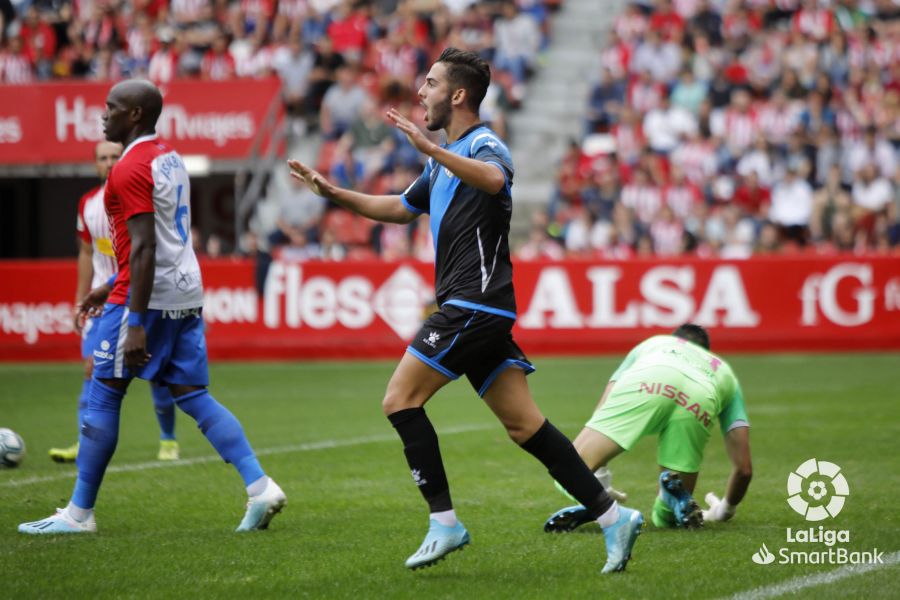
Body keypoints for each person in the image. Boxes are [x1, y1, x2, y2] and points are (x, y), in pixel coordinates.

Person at [288, 47, 643, 574]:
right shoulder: (444, 161)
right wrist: (333, 191)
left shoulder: (484, 144)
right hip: (481, 310)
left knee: (399, 401)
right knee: (525, 426)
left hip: (472, 305)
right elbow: (397, 209)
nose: (421, 92)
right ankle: (614, 517)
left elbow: (495, 180)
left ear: (457, 94)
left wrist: (430, 148)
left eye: (429, 83)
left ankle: (445, 523)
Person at [19, 79, 286, 535]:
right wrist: (106, 289)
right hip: (185, 289)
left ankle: (79, 515)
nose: (103, 116)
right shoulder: (169, 156)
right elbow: (156, 238)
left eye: (112, 108)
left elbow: (143, 248)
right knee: (193, 395)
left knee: (104, 391)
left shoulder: (129, 168)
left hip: (147, 298)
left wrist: (135, 321)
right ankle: (260, 486)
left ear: (135, 115)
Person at [543, 324, 752, 533]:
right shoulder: (725, 373)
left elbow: (603, 409)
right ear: (706, 350)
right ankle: (669, 499)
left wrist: (600, 481)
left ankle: (602, 504)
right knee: (666, 519)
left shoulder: (655, 343)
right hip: (701, 395)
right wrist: (724, 510)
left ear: (677, 339)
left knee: (568, 471)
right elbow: (744, 469)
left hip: (653, 377)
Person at [49, 140, 181, 464]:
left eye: (114, 157)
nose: (108, 163)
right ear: (94, 164)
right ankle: (85, 441)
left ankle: (168, 439)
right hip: (100, 297)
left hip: (132, 294)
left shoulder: (134, 197)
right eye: (102, 158)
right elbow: (85, 252)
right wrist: (80, 297)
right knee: (91, 370)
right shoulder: (87, 204)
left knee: (154, 369)